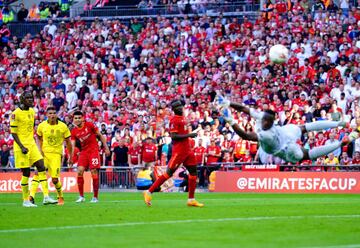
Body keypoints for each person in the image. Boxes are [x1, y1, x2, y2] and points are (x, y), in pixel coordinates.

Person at [217, 94, 350, 164]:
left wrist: (231, 121)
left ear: (269, 122)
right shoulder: (265, 119)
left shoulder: (266, 135)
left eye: (264, 120)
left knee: (306, 154)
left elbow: (245, 136)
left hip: (284, 149)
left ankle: (339, 131)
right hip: (284, 133)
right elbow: (243, 108)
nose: (261, 120)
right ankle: (339, 127)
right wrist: (228, 103)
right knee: (304, 128)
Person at [143, 100, 204, 207]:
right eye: (179, 107)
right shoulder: (174, 120)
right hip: (179, 152)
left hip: (187, 151)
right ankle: (148, 192)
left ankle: (191, 199)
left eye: (181, 106)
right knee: (168, 173)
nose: (181, 108)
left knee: (193, 172)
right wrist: (189, 135)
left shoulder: (183, 118)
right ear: (175, 110)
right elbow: (174, 136)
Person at [10, 91, 57, 207]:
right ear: (22, 99)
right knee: (26, 172)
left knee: (41, 166)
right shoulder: (15, 113)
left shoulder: (32, 111)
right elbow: (14, 133)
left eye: (32, 98)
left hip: (31, 144)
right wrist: (21, 146)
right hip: (21, 146)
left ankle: (46, 197)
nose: (31, 100)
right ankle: (25, 200)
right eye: (28, 98)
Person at [29, 106, 73, 206]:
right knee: (37, 173)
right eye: (50, 113)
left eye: (54, 113)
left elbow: (69, 143)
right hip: (44, 154)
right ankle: (31, 196)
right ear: (46, 115)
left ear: (56, 114)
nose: (52, 115)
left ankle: (60, 196)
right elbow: (38, 138)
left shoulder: (63, 126)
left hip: (56, 155)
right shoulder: (41, 126)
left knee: (55, 179)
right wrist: (39, 150)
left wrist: (70, 156)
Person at [71, 111, 110, 203]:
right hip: (84, 152)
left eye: (79, 118)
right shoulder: (74, 131)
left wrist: (106, 147)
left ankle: (95, 197)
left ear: (83, 118)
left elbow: (100, 135)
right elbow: (72, 145)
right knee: (80, 171)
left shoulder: (89, 125)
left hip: (93, 151)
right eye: (75, 118)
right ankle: (81, 196)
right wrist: (71, 157)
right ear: (73, 119)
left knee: (93, 171)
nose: (77, 120)